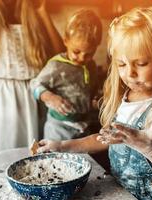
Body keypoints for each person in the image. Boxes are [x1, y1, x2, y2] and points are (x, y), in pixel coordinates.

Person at [31, 7, 152, 200]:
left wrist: (151, 150)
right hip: (120, 194)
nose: (129, 73)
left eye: (141, 63)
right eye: (121, 64)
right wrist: (61, 145)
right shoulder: (124, 99)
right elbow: (102, 139)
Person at [0, 0, 65, 154]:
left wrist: (42, 11)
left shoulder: (32, 15)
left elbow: (61, 57)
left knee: (34, 162)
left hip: (33, 97)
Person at [30, 9, 102, 141]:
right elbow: (34, 85)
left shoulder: (91, 65)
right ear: (65, 41)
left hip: (84, 126)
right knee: (58, 159)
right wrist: (49, 97)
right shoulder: (56, 66)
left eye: (89, 54)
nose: (82, 58)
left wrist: (95, 99)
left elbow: (92, 90)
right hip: (59, 128)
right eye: (76, 51)